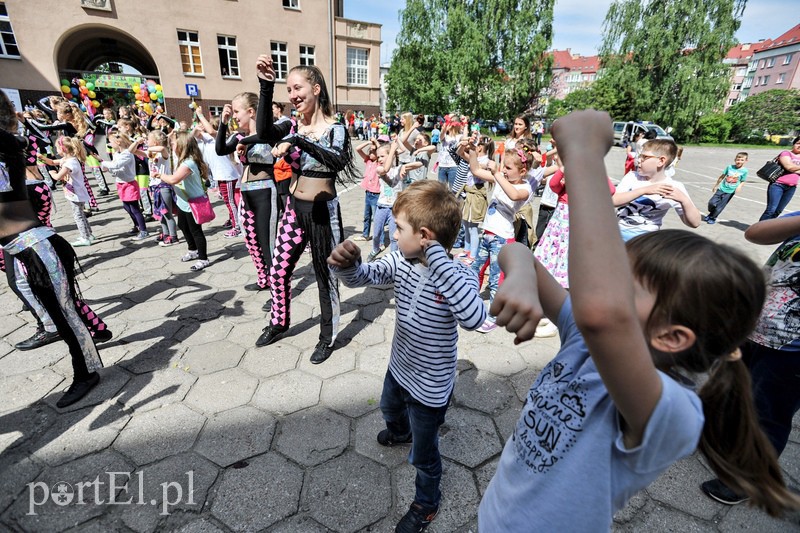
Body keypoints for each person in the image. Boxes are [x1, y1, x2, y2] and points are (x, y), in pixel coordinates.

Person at [479, 110, 799, 530]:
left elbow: (603, 314)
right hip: (496, 514)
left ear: (671, 336)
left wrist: (583, 153)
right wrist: (522, 275)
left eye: (626, 283)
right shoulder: (584, 338)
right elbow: (515, 251)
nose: (607, 282)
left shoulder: (672, 411)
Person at [328, 180, 486, 533]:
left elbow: (474, 317)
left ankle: (426, 503)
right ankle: (401, 433)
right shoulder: (401, 259)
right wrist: (348, 266)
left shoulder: (459, 273)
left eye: (399, 228)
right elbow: (365, 276)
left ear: (425, 236)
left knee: (425, 456)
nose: (394, 234)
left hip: (431, 387)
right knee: (390, 408)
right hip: (400, 367)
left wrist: (437, 260)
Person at [1, 89, 111, 408]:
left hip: (39, 247)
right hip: (27, 248)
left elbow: (18, 140)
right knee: (62, 311)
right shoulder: (9, 148)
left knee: (66, 316)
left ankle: (86, 373)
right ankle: (92, 343)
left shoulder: (8, 146)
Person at [258, 63, 357, 365]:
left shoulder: (335, 129)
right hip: (294, 209)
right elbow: (263, 132)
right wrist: (265, 86)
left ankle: (327, 337)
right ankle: (279, 322)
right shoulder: (291, 126)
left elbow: (337, 160)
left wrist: (300, 141)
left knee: (326, 277)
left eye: (297, 87)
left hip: (322, 212)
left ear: (316, 89)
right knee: (278, 270)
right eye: (288, 89)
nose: (292, 95)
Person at [700, 212, 800, 504]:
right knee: (729, 388)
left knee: (768, 412)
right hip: (756, 325)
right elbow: (755, 233)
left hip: (792, 349)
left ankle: (748, 479)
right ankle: (716, 440)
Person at [468, 146, 532, 333]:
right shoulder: (501, 178)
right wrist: (472, 151)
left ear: (522, 171)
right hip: (487, 235)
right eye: (504, 166)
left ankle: (494, 316)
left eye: (508, 168)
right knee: (475, 271)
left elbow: (514, 195)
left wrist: (497, 174)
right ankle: (470, 304)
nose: (504, 170)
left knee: (496, 280)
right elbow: (475, 170)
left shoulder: (524, 187)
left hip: (502, 240)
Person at [613, 138, 701, 241]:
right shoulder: (632, 177)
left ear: (661, 161)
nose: (638, 160)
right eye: (640, 156)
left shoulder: (673, 187)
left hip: (645, 240)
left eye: (644, 157)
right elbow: (614, 201)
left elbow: (695, 223)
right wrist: (644, 190)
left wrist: (684, 201)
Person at [99, 132, 149, 240]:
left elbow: (116, 165)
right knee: (126, 207)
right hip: (121, 183)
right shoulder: (117, 153)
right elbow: (115, 168)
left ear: (118, 142)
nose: (109, 144)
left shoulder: (127, 154)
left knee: (135, 208)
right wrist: (109, 169)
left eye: (110, 142)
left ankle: (143, 230)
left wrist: (103, 162)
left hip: (129, 184)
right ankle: (137, 225)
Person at [47, 136, 94, 247]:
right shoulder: (69, 159)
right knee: (81, 214)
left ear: (63, 149)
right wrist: (41, 158)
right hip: (77, 193)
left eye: (57, 148)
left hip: (76, 194)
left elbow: (58, 177)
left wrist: (52, 173)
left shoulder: (70, 163)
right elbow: (52, 162)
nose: (56, 150)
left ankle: (85, 238)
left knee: (78, 216)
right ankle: (89, 234)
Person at [366, 141, 404, 262]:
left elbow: (405, 151)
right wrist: (392, 150)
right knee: (376, 234)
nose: (379, 159)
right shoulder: (379, 169)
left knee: (393, 237)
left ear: (391, 156)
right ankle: (375, 249)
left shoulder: (399, 168)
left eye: (382, 156)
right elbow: (386, 169)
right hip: (381, 207)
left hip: (394, 209)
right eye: (378, 157)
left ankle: (393, 258)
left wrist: (397, 142)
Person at [758, 136, 800, 221]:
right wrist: (794, 169)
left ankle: (768, 227)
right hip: (778, 185)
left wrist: (794, 168)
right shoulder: (786, 153)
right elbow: (789, 167)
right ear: (793, 144)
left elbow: (791, 168)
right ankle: (759, 228)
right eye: (798, 143)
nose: (799, 146)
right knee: (771, 210)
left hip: (791, 187)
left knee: (778, 211)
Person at [705, 152, 749, 224]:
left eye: (742, 160)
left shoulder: (744, 171)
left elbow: (743, 181)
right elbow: (722, 176)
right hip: (722, 188)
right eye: (738, 159)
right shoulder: (729, 167)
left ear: (745, 161)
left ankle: (712, 218)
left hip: (730, 191)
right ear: (735, 160)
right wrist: (716, 185)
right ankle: (711, 213)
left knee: (720, 207)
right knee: (711, 203)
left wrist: (739, 186)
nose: (739, 161)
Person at [354, 138, 381, 241]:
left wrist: (376, 144)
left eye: (373, 151)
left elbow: (382, 152)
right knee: (367, 216)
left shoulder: (379, 163)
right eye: (369, 151)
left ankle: (379, 239)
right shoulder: (368, 161)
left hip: (376, 193)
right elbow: (358, 149)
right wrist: (369, 143)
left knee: (376, 218)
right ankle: (365, 235)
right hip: (368, 192)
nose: (370, 153)